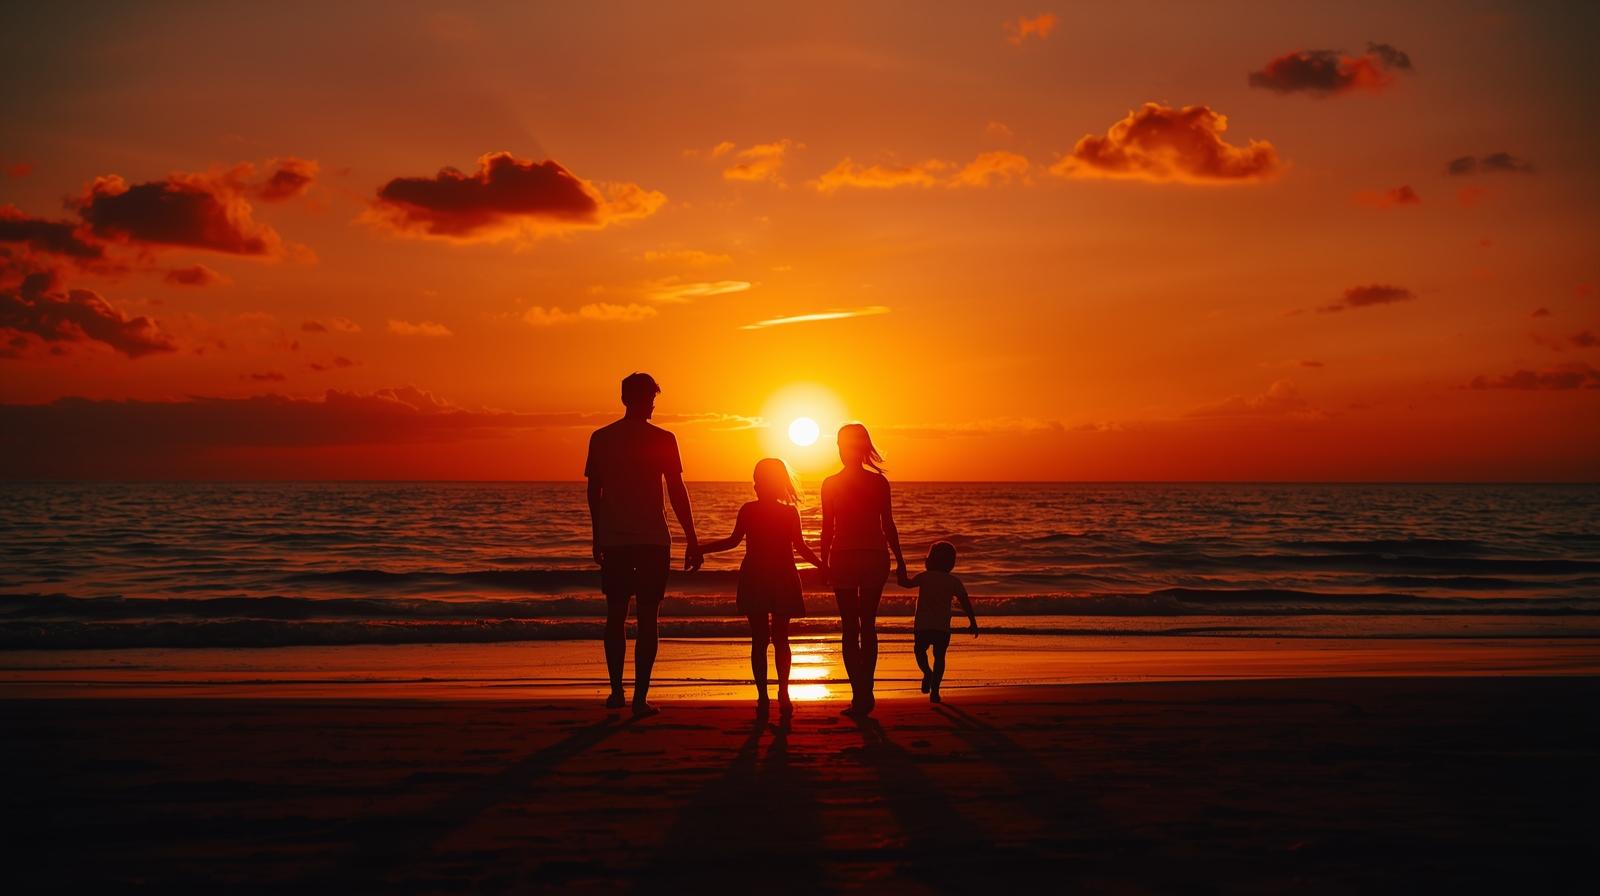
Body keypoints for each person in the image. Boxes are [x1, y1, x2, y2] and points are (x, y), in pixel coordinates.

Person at [585, 372, 700, 716]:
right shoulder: (662, 438)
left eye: (653, 399)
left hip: (619, 539)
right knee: (646, 617)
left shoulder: (602, 437)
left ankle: (620, 692)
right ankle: (636, 698)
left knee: (616, 614)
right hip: (650, 539)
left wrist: (597, 533)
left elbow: (595, 492)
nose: (651, 405)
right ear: (632, 399)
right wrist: (691, 537)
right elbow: (676, 490)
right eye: (649, 398)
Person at [698, 458, 826, 717]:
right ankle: (782, 692)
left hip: (756, 576)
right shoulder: (788, 512)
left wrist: (701, 548)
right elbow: (800, 547)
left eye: (757, 480)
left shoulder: (750, 510)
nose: (756, 485)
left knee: (760, 639)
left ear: (761, 484)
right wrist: (823, 566)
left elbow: (732, 542)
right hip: (781, 576)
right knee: (781, 638)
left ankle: (764, 696)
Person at [819, 423, 906, 716]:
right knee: (864, 625)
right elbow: (886, 525)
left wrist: (822, 562)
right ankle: (864, 692)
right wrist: (900, 560)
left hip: (850, 556)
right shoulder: (876, 483)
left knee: (852, 626)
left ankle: (860, 693)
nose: (843, 451)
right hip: (867, 556)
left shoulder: (832, 483)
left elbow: (827, 529)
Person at [897, 541, 978, 704]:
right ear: (951, 563)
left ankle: (927, 672)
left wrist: (900, 568)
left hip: (922, 625)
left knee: (919, 651)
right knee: (939, 657)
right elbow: (964, 601)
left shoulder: (924, 576)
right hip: (942, 626)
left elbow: (905, 584)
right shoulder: (954, 581)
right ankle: (935, 690)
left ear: (929, 560)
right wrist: (972, 621)